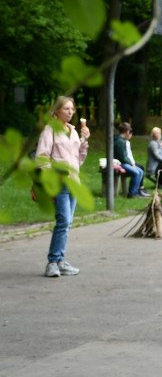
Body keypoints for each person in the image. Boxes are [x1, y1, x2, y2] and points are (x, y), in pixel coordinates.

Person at [35, 96, 89, 277]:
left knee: (67, 222)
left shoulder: (73, 131)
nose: (70, 112)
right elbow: (41, 157)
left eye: (72, 109)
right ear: (57, 110)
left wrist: (84, 142)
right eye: (66, 109)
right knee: (64, 220)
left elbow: (78, 159)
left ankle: (60, 261)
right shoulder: (49, 130)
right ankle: (52, 263)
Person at [113, 122, 148, 199]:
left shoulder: (121, 140)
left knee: (140, 171)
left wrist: (131, 163)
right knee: (136, 172)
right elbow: (122, 158)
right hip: (119, 163)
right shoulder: (120, 142)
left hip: (122, 162)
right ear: (127, 131)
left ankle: (135, 192)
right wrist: (131, 164)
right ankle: (131, 193)